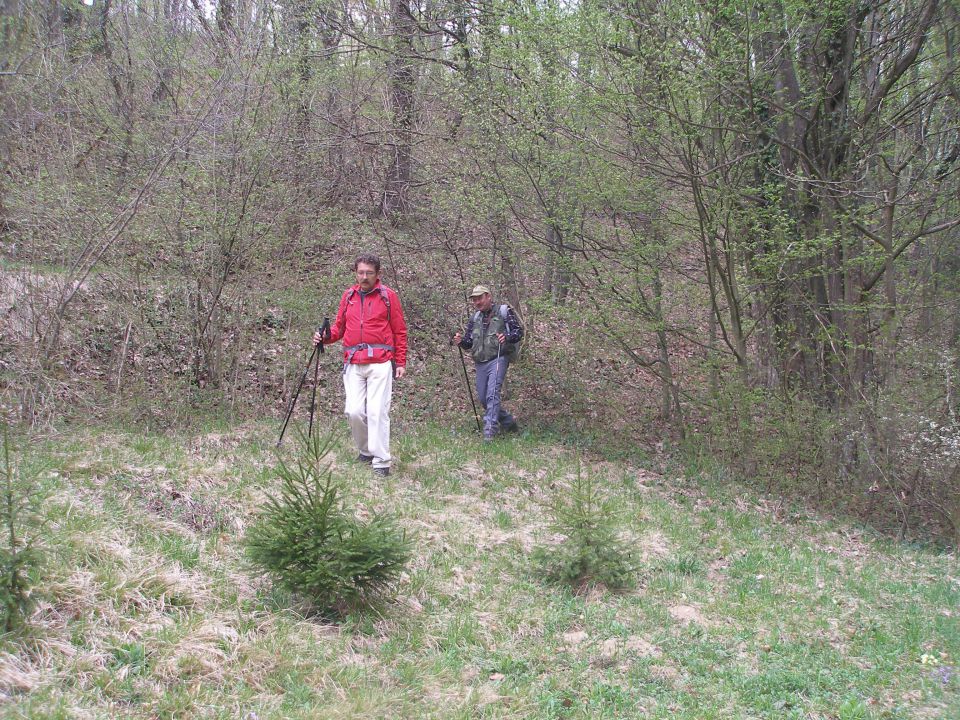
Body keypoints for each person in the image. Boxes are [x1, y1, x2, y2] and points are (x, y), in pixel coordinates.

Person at [314, 253, 407, 477]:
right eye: (361, 272)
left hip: (381, 362)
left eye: (369, 273)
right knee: (353, 411)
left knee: (377, 412)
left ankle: (382, 462)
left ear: (378, 274)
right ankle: (366, 451)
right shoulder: (348, 297)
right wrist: (323, 337)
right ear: (356, 273)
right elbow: (338, 329)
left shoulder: (388, 297)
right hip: (353, 362)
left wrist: (401, 361)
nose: (364, 277)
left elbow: (399, 330)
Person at [453, 285, 523, 442]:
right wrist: (460, 341)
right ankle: (508, 422)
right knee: (484, 399)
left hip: (499, 357)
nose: (477, 302)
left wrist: (507, 337)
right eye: (474, 299)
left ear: (488, 297)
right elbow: (469, 342)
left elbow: (518, 332)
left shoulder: (504, 311)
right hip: (480, 362)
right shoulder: (475, 318)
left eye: (480, 298)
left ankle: (489, 432)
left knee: (492, 394)